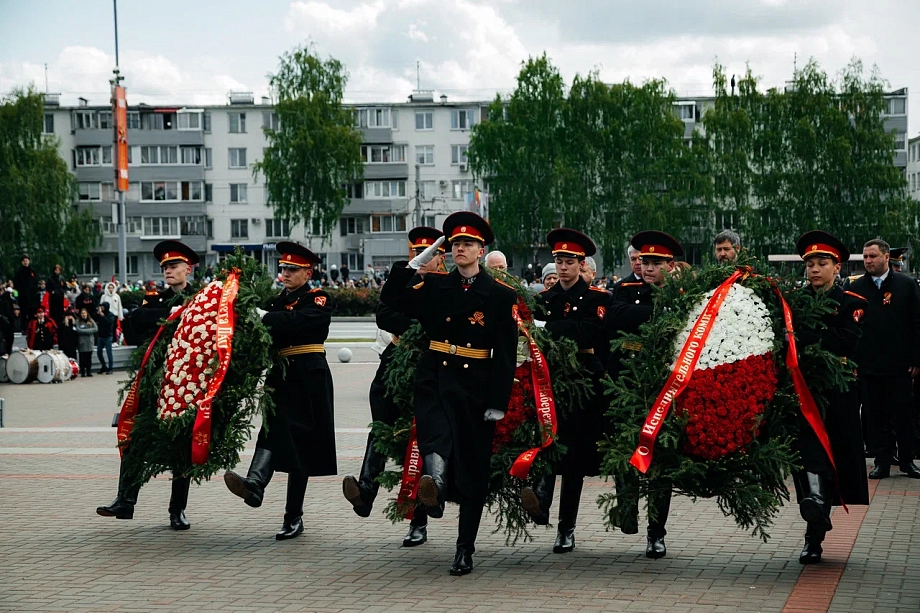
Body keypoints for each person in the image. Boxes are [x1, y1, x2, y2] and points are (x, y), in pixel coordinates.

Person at [379, 211, 517, 576]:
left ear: (481, 250)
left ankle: (464, 549)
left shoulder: (501, 295)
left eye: (467, 244)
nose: (459, 249)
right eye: (455, 244)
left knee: (473, 472)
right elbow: (393, 299)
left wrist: (498, 403)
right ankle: (435, 483)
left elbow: (504, 354)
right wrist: (415, 264)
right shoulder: (437, 286)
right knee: (433, 431)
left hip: (475, 384)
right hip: (435, 374)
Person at [224, 242, 336, 540]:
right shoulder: (275, 301)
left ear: (307, 272)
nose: (285, 273)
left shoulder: (318, 298)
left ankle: (290, 514)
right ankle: (256, 485)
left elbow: (300, 323)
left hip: (309, 374)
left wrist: (265, 318)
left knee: (300, 445)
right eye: (283, 268)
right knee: (273, 429)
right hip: (282, 373)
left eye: (292, 269)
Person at [342, 227, 445, 547]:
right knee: (382, 427)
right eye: (417, 253)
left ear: (442, 257)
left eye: (429, 253)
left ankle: (419, 519)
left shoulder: (447, 286)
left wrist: (418, 330)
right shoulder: (404, 281)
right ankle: (365, 490)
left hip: (431, 367)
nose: (421, 258)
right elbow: (384, 313)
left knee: (419, 442)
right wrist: (414, 330)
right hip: (395, 363)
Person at [97, 240, 200, 530]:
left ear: (187, 269)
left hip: (184, 382)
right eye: (165, 267)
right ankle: (125, 500)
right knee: (135, 435)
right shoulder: (154, 300)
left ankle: (176, 510)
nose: (168, 271)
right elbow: (136, 328)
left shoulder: (201, 299)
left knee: (180, 443)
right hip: (154, 379)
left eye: (174, 266)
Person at [520, 229, 609, 554]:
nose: (562, 266)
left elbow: (590, 335)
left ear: (581, 263)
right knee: (547, 444)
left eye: (569, 261)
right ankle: (541, 502)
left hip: (584, 384)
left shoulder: (598, 299)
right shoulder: (544, 300)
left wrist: (551, 329)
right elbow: (532, 332)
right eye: (558, 260)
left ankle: (565, 529)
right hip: (550, 382)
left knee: (573, 461)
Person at [791, 231, 870, 563]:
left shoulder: (851, 302)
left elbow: (846, 342)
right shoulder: (795, 303)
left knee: (833, 460)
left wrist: (806, 337)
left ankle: (816, 532)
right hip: (802, 391)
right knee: (807, 459)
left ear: (837, 267)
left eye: (822, 263)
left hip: (837, 395)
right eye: (810, 264)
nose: (814, 270)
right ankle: (815, 521)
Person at [611, 231, 684, 559]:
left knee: (660, 462)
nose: (647, 267)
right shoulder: (625, 289)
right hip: (629, 382)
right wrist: (656, 319)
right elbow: (616, 320)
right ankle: (627, 508)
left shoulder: (682, 296)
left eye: (656, 262)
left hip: (666, 385)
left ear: (671, 265)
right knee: (624, 449)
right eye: (644, 261)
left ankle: (657, 532)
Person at [849, 239, 920, 479]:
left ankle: (908, 461)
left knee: (904, 415)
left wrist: (916, 359)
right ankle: (882, 461)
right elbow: (851, 328)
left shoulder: (906, 285)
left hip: (900, 365)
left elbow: (916, 324)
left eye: (873, 256)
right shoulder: (857, 288)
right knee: (875, 416)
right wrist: (853, 361)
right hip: (869, 366)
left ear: (886, 257)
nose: (868, 261)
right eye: (865, 257)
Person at [13, 254, 38, 332]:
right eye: (24, 261)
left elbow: (36, 281)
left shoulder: (32, 271)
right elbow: (16, 284)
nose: (25, 262)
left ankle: (32, 327)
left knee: (32, 312)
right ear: (22, 262)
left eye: (27, 260)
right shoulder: (19, 272)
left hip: (32, 296)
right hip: (23, 296)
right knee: (23, 312)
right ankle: (24, 328)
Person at [93, 302, 116, 374]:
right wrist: (97, 313)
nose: (102, 308)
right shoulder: (100, 314)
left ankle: (110, 367)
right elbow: (94, 318)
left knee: (109, 352)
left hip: (108, 336)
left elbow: (109, 323)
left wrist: (103, 317)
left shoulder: (111, 315)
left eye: (103, 307)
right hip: (101, 335)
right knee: (99, 352)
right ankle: (104, 366)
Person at [75, 308, 98, 377]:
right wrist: (88, 331)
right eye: (82, 313)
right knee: (82, 358)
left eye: (85, 313)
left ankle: (89, 371)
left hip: (90, 342)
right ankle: (82, 372)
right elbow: (78, 330)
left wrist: (86, 330)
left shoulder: (90, 320)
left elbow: (96, 328)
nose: (83, 314)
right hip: (82, 342)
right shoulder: (78, 321)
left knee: (89, 358)